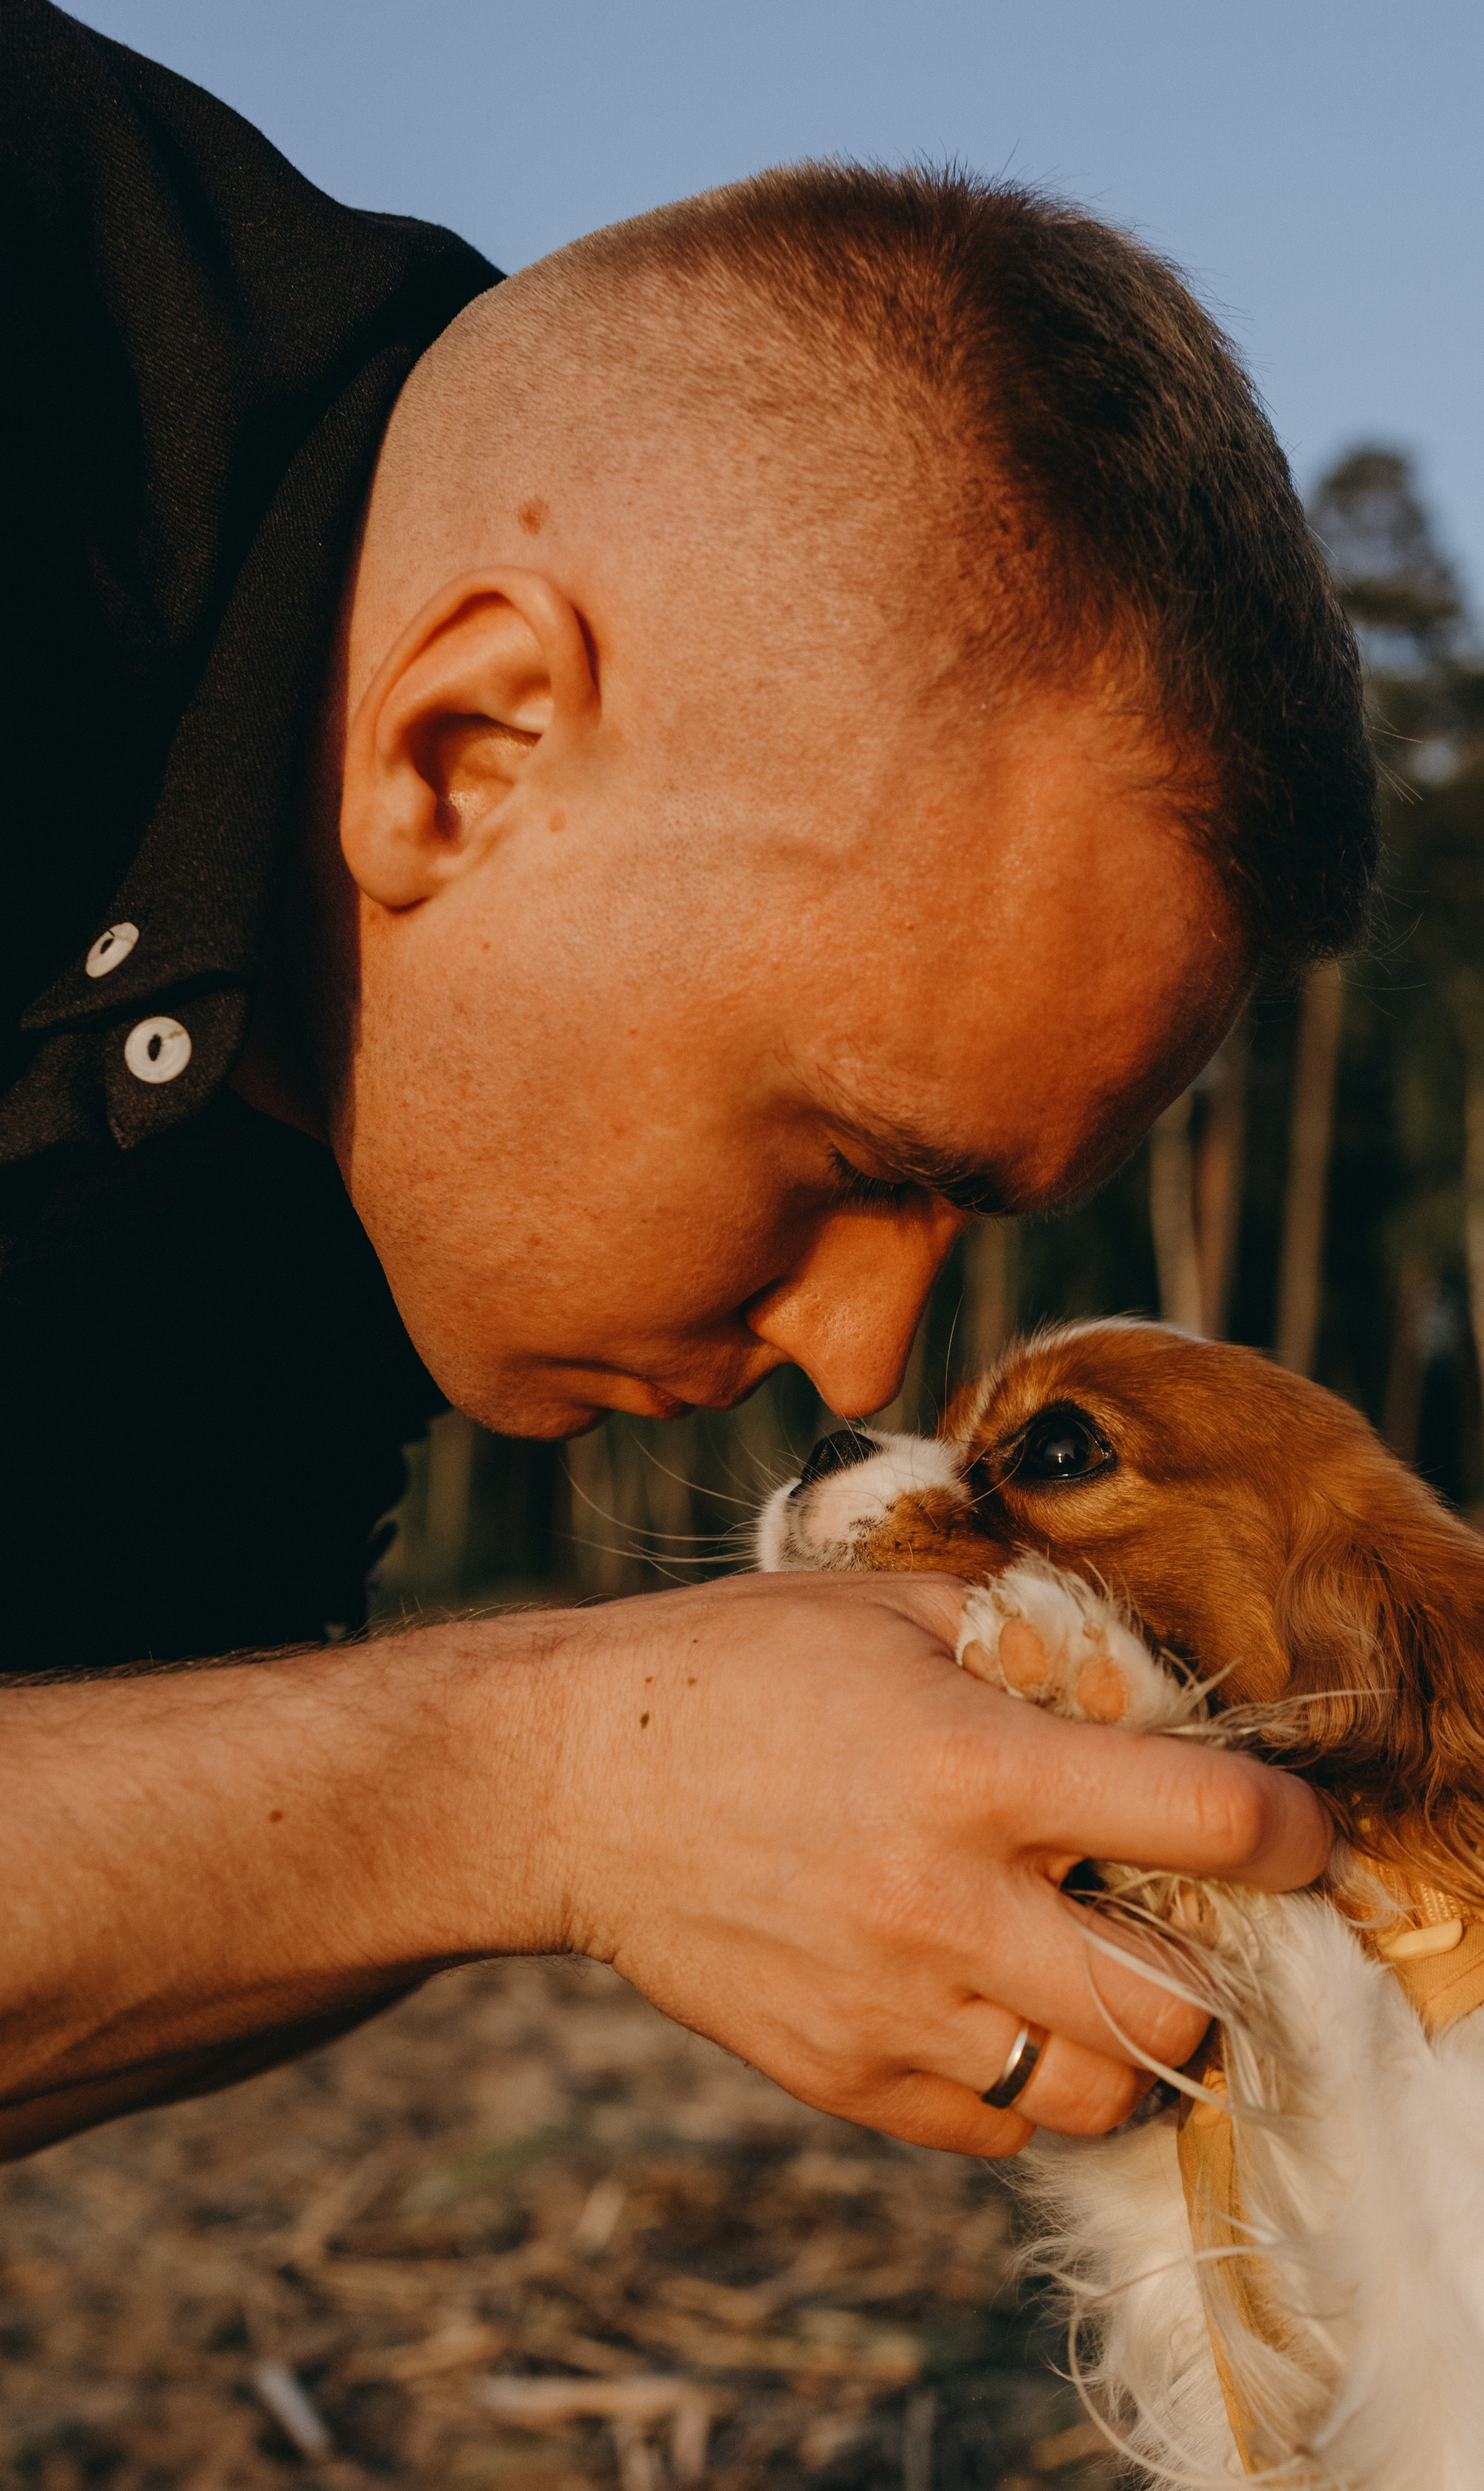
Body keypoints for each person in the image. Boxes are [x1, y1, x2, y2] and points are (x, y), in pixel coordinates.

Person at [1, 0, 1375, 2164]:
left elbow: (122, 1880)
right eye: (849, 1159)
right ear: (469, 754)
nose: (865, 1358)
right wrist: (554, 1776)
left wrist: (588, 1800)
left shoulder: (379, 1122)